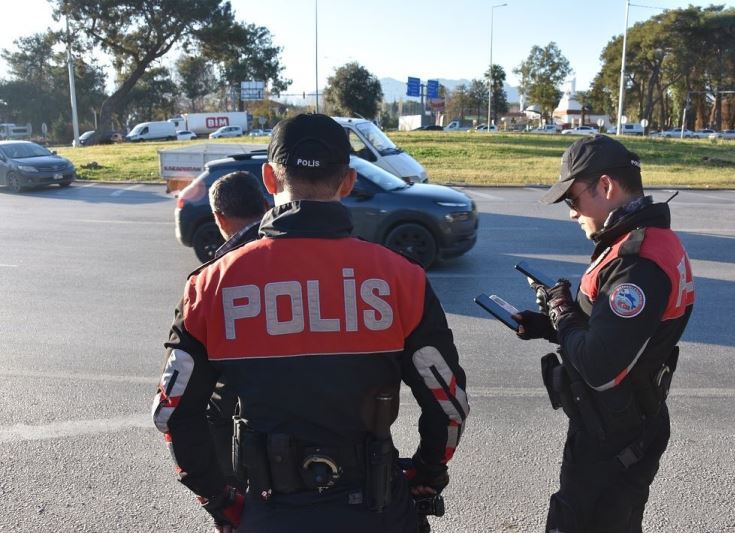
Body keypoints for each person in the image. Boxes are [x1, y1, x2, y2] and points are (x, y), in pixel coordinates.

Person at [152, 113, 469, 533]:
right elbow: (449, 406)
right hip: (378, 508)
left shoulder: (211, 284)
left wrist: (219, 499)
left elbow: (172, 414)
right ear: (349, 181)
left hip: (268, 511)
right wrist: (428, 476)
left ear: (268, 179)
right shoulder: (400, 278)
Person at [513, 134, 695, 533]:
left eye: (572, 200)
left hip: (613, 437)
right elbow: (619, 332)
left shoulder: (638, 262)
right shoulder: (644, 243)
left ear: (607, 186)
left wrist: (562, 312)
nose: (572, 213)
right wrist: (551, 325)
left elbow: (599, 364)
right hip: (627, 421)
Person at [205, 171, 269, 508]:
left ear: (219, 217)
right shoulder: (292, 248)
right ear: (264, 202)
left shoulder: (217, 273)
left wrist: (216, 496)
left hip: (244, 422)